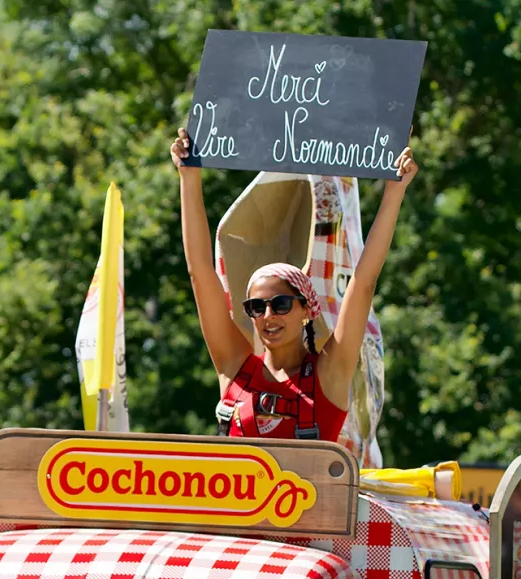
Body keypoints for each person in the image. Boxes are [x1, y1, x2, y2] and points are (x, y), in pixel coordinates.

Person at [170, 126, 418, 443]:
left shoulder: (330, 373)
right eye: (256, 307)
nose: (268, 315)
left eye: (281, 304)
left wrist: (394, 193)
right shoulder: (235, 368)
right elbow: (200, 272)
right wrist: (188, 177)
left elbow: (364, 281)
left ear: (307, 309)